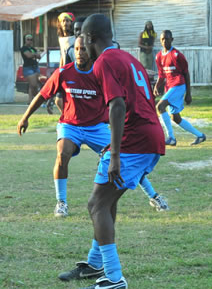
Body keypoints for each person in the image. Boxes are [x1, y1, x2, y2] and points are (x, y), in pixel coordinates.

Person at [61, 14, 165, 289]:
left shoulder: (105, 61)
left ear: (91, 38)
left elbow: (117, 106)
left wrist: (116, 154)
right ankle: (96, 264)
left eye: (81, 34)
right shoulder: (127, 58)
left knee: (96, 205)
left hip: (135, 138)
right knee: (106, 202)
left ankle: (114, 276)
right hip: (149, 134)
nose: (78, 39)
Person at [17, 36, 169, 219]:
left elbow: (115, 102)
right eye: (77, 49)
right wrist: (25, 118)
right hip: (70, 125)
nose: (80, 53)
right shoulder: (63, 73)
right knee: (62, 154)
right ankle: (61, 202)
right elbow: (42, 95)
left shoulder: (100, 73)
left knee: (123, 159)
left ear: (91, 51)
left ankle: (154, 196)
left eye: (83, 49)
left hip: (97, 127)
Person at [154, 30, 206, 146]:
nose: (164, 41)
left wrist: (188, 93)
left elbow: (186, 74)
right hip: (170, 87)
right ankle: (200, 135)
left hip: (178, 85)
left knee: (160, 106)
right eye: (162, 39)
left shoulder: (177, 55)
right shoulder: (158, 57)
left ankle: (171, 138)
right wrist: (156, 86)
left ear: (172, 40)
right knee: (175, 118)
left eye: (167, 39)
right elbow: (162, 75)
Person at [20, 34, 42, 104]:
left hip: (35, 66)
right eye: (28, 39)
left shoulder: (33, 49)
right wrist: (35, 54)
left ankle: (30, 101)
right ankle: (38, 99)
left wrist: (34, 54)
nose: (29, 41)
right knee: (34, 84)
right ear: (25, 40)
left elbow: (39, 56)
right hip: (28, 67)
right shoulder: (23, 48)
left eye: (31, 39)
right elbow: (28, 55)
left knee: (32, 86)